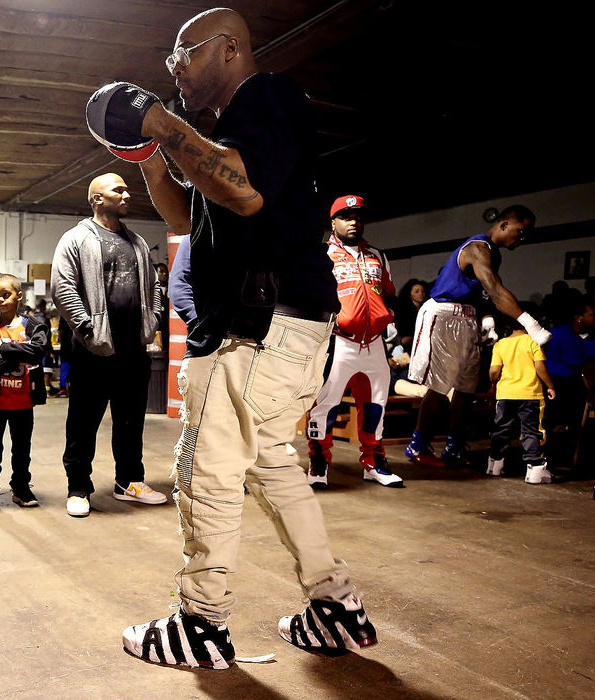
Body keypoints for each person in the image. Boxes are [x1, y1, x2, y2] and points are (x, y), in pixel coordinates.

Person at [105, 8, 376, 665]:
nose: (174, 68)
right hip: (284, 330)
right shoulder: (227, 137)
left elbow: (245, 192)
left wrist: (164, 127)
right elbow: (193, 217)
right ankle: (335, 606)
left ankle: (201, 624)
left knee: (209, 471)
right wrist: (151, 161)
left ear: (227, 49)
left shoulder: (266, 97)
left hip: (261, 327)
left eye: (183, 54)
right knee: (271, 467)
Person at [51, 172, 166, 517]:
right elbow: (62, 288)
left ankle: (129, 482)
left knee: (131, 421)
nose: (127, 194)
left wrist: (153, 320)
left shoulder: (138, 242)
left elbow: (155, 288)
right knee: (83, 423)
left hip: (133, 349)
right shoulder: (76, 239)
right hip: (93, 350)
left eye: (126, 188)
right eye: (119, 190)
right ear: (97, 199)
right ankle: (78, 488)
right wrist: (88, 330)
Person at [405, 205, 548, 468]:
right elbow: (494, 290)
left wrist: (487, 321)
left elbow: (484, 297)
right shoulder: (478, 248)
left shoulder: (494, 254)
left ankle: (454, 446)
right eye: (521, 231)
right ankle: (418, 444)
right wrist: (530, 324)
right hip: (443, 313)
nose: (523, 238)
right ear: (504, 224)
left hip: (467, 317)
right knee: (439, 385)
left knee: (466, 387)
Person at [306, 195, 403, 488]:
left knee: (376, 404)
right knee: (326, 406)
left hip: (374, 344)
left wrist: (389, 319)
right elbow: (310, 296)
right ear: (333, 222)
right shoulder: (321, 255)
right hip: (339, 342)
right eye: (347, 216)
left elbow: (389, 292)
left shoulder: (377, 255)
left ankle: (373, 463)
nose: (354, 222)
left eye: (358, 216)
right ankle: (318, 464)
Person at [0, 274, 50, 512]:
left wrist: (4, 348)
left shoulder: (34, 325)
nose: (1, 300)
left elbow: (37, 352)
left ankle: (21, 489)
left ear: (19, 295)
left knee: (22, 449)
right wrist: (16, 361)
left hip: (24, 401)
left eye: (6, 295)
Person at [487, 315, 557, 483]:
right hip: (530, 394)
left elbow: (494, 370)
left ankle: (495, 464)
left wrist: (493, 383)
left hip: (505, 394)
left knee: (501, 428)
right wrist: (550, 386)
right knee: (531, 430)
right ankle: (535, 470)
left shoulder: (500, 344)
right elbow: (539, 366)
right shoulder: (532, 342)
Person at [542, 298, 595, 468]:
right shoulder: (562, 333)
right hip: (558, 382)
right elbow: (574, 358)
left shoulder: (578, 335)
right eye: (593, 315)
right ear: (578, 317)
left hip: (568, 380)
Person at [395, 278, 428, 351]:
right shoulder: (404, 310)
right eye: (416, 292)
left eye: (423, 291)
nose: (421, 294)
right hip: (407, 344)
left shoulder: (426, 309)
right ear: (409, 294)